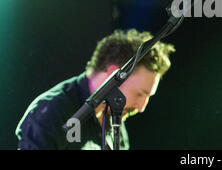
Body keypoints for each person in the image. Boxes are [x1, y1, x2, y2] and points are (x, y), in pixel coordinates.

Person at [16, 29, 175, 150]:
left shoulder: (115, 121)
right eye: (139, 94)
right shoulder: (51, 112)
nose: (141, 107)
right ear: (114, 75)